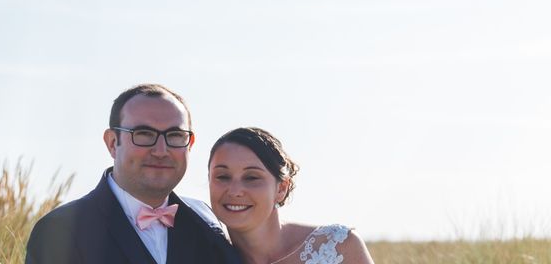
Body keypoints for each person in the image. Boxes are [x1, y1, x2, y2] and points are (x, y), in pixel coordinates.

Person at [26, 83, 241, 264]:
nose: (160, 151)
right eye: (144, 134)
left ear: (190, 144)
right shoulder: (59, 231)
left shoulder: (206, 220)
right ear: (112, 143)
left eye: (175, 135)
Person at [208, 127, 375, 264]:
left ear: (281, 188)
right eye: (223, 177)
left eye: (251, 177)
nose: (235, 191)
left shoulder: (338, 247)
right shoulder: (202, 257)